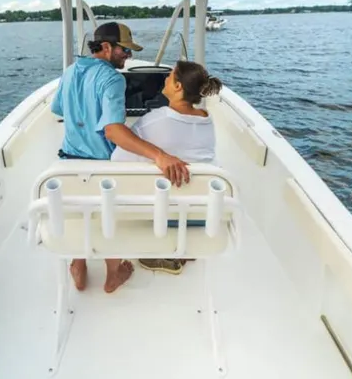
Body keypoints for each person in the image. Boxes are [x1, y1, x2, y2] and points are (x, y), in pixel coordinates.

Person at [50, 21, 191, 293]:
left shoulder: (70, 70)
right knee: (110, 218)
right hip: (102, 165)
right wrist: (160, 155)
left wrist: (84, 110)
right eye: (124, 50)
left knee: (79, 213)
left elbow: (58, 108)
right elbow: (113, 131)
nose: (128, 56)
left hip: (67, 162)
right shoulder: (113, 79)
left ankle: (78, 265)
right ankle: (113, 274)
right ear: (106, 47)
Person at [111, 60, 224, 275]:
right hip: (203, 213)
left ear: (178, 86)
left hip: (166, 215)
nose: (165, 79)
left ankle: (161, 250)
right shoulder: (206, 120)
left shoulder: (153, 121)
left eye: (170, 76)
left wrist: (153, 157)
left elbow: (118, 158)